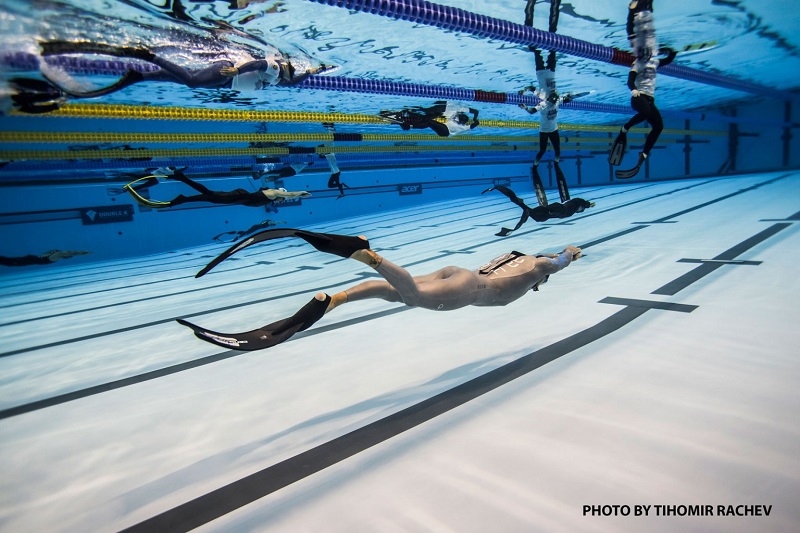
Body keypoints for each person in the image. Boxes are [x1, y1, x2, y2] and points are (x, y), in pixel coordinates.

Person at [177, 229, 582, 351]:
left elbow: (536, 257)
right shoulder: (537, 269)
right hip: (470, 287)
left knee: (385, 291)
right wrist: (569, 255)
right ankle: (366, 254)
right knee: (413, 298)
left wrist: (557, 254)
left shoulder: (519, 260)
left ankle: (331, 301)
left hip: (457, 271)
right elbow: (555, 261)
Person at [37, 40, 331, 98]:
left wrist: (317, 71)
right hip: (226, 72)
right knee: (190, 81)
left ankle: (137, 76)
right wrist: (237, 72)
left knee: (170, 78)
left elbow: (298, 78)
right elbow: (258, 63)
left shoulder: (287, 80)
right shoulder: (278, 69)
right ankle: (147, 56)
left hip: (225, 85)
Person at [610, 0, 677, 179]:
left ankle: (644, 152)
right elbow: (630, 80)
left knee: (658, 125)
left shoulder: (652, 60)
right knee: (649, 115)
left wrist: (672, 53)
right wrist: (633, 90)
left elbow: (666, 60)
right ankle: (626, 127)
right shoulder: (638, 62)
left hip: (648, 99)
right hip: (638, 98)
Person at [122, 168, 309, 209]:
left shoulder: (272, 196)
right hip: (235, 198)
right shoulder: (273, 193)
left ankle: (179, 193)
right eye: (281, 198)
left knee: (207, 195)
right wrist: (302, 193)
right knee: (208, 196)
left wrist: (292, 196)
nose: (281, 200)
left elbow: (287, 197)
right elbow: (290, 194)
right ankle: (177, 199)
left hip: (238, 196)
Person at [482, 185, 594, 236]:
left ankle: (499, 188)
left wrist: (587, 204)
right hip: (552, 211)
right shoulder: (573, 205)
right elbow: (578, 201)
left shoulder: (572, 207)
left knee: (525, 208)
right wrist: (588, 204)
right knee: (525, 208)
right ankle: (499, 188)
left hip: (549, 213)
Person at [381, 100, 480, 137]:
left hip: (446, 131)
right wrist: (476, 118)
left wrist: (475, 122)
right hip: (444, 112)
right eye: (458, 117)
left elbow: (473, 125)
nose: (456, 119)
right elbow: (476, 113)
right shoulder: (459, 109)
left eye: (458, 120)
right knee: (427, 116)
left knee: (428, 122)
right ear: (460, 113)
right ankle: (408, 118)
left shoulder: (463, 128)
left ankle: (407, 125)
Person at [0, 250, 90, 267]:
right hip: (30, 260)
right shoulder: (58, 255)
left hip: (31, 259)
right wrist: (84, 253)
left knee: (10, 262)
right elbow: (73, 252)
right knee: (10, 263)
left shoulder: (56, 253)